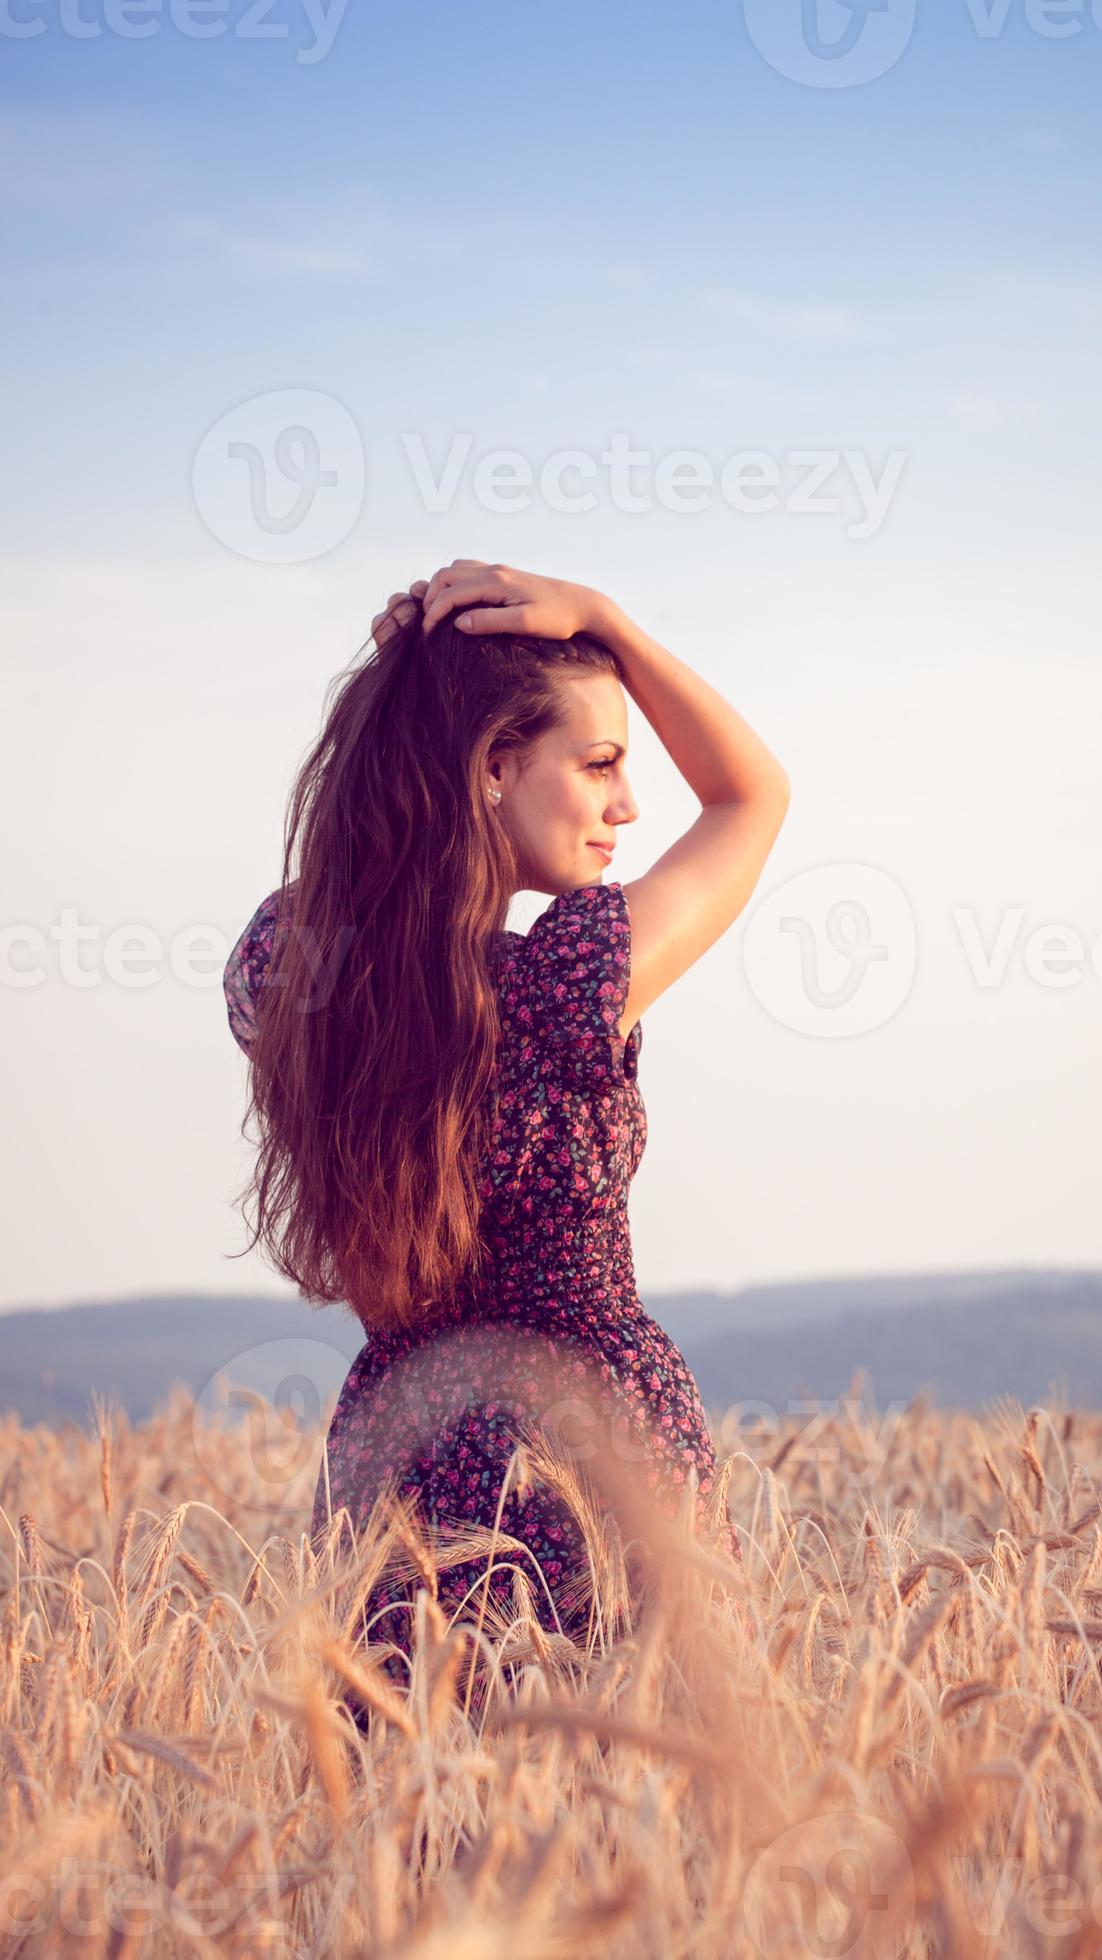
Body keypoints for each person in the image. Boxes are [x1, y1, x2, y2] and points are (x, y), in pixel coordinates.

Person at [221, 559, 790, 1707]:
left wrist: (411, 683)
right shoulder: (569, 981)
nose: (626, 803)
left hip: (401, 1456)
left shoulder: (290, 972)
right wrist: (607, 621)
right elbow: (749, 797)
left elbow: (352, 899)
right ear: (491, 768)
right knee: (633, 1830)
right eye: (599, 763)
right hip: (597, 1443)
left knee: (417, 1832)